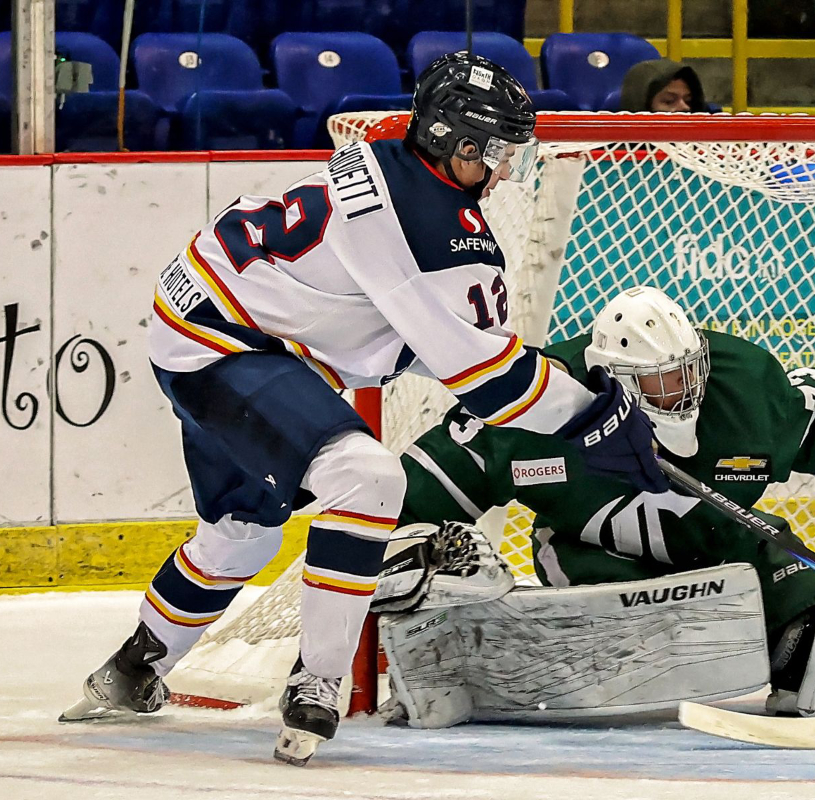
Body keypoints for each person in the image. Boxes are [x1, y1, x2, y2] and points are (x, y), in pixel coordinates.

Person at [59, 53, 665, 766]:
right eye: (497, 152)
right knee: (369, 479)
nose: (505, 171)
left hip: (218, 321)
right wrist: (592, 419)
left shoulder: (391, 161)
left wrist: (571, 396)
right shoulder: (431, 230)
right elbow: (489, 380)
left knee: (243, 529)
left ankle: (134, 668)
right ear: (456, 143)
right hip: (225, 340)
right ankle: (317, 681)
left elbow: (426, 336)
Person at [391, 285, 815, 719]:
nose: (678, 393)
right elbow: (423, 485)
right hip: (598, 558)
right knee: (604, 615)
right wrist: (403, 544)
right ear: (613, 379)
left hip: (733, 549)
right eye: (656, 383)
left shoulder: (743, 385)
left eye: (684, 374)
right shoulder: (537, 399)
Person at [619, 59, 709, 112]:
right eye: (668, 101)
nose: (685, 107)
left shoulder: (709, 143)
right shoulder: (612, 143)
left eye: (688, 101)